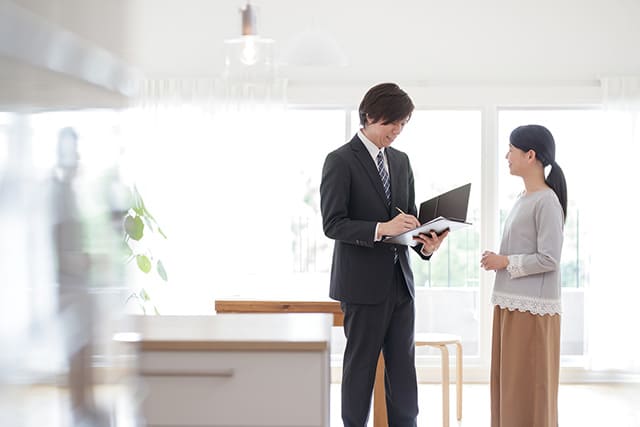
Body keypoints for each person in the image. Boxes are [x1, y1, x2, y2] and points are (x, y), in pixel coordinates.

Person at [320, 82, 448, 427]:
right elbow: (333, 224)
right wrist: (381, 228)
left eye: (403, 124)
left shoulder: (401, 161)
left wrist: (425, 243)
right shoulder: (340, 161)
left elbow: (405, 223)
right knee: (360, 368)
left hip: (400, 286)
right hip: (361, 287)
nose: (397, 131)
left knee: (403, 370)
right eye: (392, 122)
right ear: (369, 116)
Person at [480, 124, 568, 427]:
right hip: (512, 304)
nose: (507, 156)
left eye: (511, 150)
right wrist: (501, 260)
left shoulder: (547, 201)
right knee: (511, 386)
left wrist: (504, 261)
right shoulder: (524, 197)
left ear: (530, 155)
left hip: (532, 310)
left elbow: (549, 258)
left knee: (528, 387)